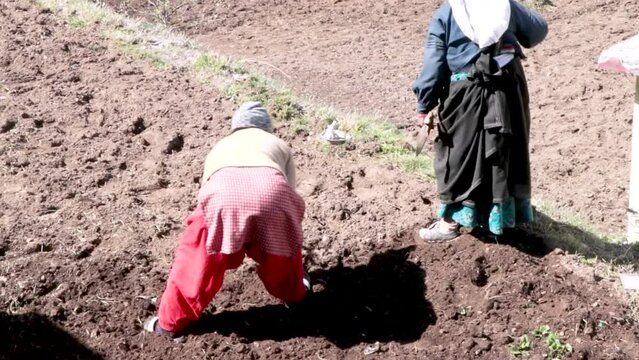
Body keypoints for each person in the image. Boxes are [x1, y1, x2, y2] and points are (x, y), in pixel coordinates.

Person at [144, 102, 311, 338]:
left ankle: (168, 324)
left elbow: (205, 192)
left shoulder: (220, 146)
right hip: (273, 193)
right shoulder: (279, 145)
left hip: (222, 195)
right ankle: (296, 294)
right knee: (282, 253)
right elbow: (289, 191)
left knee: (197, 260)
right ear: (266, 129)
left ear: (235, 128)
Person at [412, 0, 548, 241]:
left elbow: (434, 65)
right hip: (508, 89)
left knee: (458, 156)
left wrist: (425, 105)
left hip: (467, 94)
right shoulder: (502, 6)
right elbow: (537, 30)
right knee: (503, 152)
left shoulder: (447, 13)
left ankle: (449, 225)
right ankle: (504, 220)